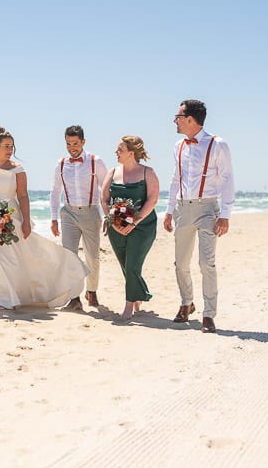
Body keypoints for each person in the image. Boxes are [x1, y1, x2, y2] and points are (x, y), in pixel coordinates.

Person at [0, 126, 89, 309]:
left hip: (10, 215)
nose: (11, 150)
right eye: (7, 146)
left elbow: (23, 196)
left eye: (12, 146)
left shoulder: (17, 169)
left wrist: (26, 221)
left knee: (11, 256)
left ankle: (6, 296)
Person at [163, 100, 235, 332]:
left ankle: (209, 314)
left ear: (190, 119)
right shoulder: (178, 146)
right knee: (180, 263)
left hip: (207, 209)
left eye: (178, 116)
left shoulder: (218, 145)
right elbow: (176, 179)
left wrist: (225, 214)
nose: (175, 120)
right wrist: (168, 210)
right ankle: (187, 303)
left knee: (207, 263)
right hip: (182, 209)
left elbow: (227, 179)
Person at [50, 125, 109, 310]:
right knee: (69, 257)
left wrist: (109, 215)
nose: (72, 147)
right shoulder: (60, 163)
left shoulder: (95, 161)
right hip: (68, 213)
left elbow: (106, 189)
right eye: (68, 144)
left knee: (92, 256)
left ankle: (91, 291)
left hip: (91, 213)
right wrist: (53, 218)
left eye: (75, 143)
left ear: (83, 142)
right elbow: (55, 191)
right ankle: (74, 298)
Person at [100, 136, 159, 319]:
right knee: (126, 266)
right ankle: (137, 296)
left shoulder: (147, 173)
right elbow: (104, 199)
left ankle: (128, 306)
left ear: (131, 153)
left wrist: (135, 221)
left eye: (120, 150)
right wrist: (112, 219)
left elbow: (153, 200)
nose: (116, 153)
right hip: (116, 227)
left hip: (142, 227)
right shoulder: (112, 172)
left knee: (133, 264)